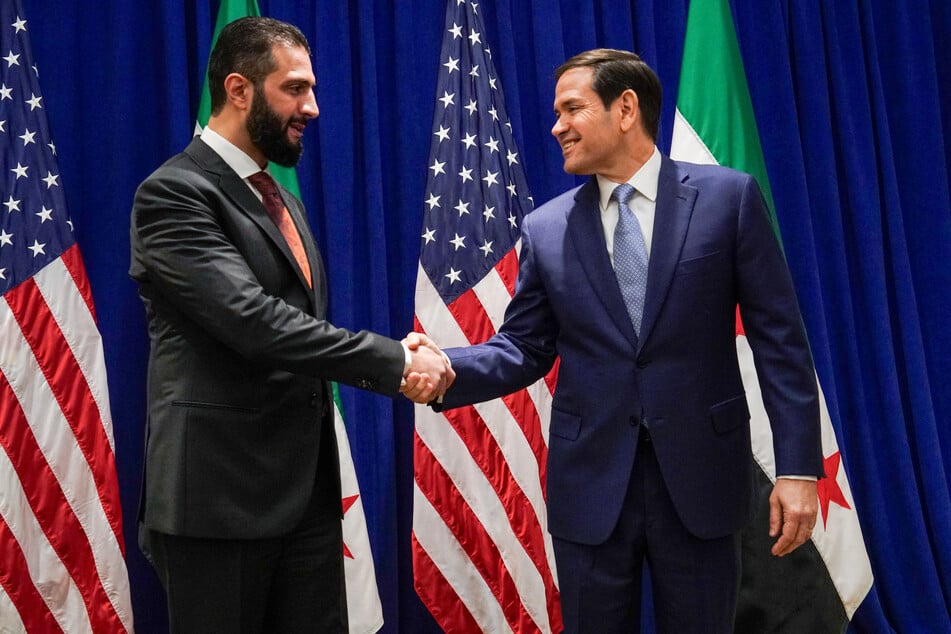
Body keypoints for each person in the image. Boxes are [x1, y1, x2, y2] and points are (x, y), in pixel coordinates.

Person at [408, 49, 822, 633]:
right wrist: (449, 367)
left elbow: (780, 342)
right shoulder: (546, 229)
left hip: (702, 479)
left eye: (571, 108)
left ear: (625, 109)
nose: (556, 127)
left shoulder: (728, 200)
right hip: (592, 486)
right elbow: (525, 346)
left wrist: (799, 468)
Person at [129, 17, 451, 632]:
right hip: (218, 503)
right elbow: (254, 322)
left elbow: (296, 325)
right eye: (295, 89)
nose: (313, 107)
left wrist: (395, 357)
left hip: (304, 496)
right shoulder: (173, 193)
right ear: (239, 89)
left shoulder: (279, 198)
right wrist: (395, 361)